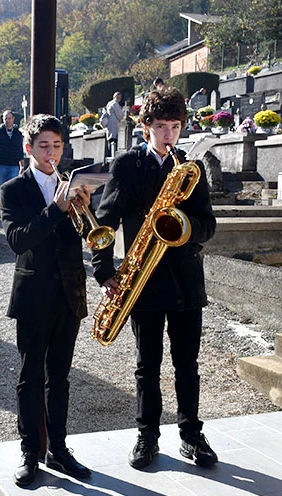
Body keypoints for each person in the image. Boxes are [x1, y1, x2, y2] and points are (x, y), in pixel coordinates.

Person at [92, 86, 218, 471]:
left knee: (188, 364)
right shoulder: (128, 165)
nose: (168, 134)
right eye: (160, 126)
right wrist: (103, 270)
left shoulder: (190, 170)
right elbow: (107, 221)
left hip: (185, 282)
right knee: (147, 364)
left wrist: (184, 227)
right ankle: (147, 434)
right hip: (142, 280)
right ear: (145, 126)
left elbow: (208, 225)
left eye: (175, 126)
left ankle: (191, 434)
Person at [0, 114, 93, 487]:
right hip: (34, 295)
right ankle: (29, 452)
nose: (51, 152)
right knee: (30, 375)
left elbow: (91, 235)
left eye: (57, 145)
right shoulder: (13, 190)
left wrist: (85, 211)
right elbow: (17, 240)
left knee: (60, 376)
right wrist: (55, 210)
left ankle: (59, 447)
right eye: (43, 146)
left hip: (68, 294)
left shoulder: (73, 185)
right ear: (29, 149)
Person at [0, 110, 25, 213]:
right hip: (1, 165)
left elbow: (20, 150)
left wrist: (22, 166)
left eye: (9, 118)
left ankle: (9, 210)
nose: (7, 121)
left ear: (13, 119)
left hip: (14, 166)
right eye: (5, 118)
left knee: (12, 189)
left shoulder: (18, 134)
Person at [103, 91, 125, 158]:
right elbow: (120, 116)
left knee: (110, 141)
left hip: (110, 126)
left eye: (120, 97)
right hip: (114, 126)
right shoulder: (115, 104)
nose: (119, 98)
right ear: (114, 97)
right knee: (113, 142)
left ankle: (110, 155)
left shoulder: (109, 104)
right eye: (118, 97)